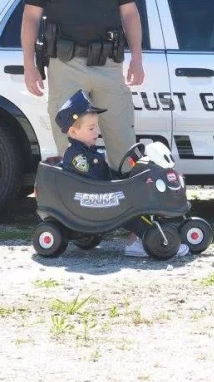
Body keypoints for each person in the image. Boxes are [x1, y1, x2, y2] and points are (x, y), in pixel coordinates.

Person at [21, 0, 148, 256]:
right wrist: (30, 64)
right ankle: (75, 227)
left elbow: (130, 14)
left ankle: (137, 231)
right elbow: (31, 17)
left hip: (109, 65)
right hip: (65, 65)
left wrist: (136, 58)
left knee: (123, 145)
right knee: (71, 149)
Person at [54, 90, 187, 258]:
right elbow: (91, 183)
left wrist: (123, 177)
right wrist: (121, 185)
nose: (97, 132)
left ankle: (156, 232)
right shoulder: (77, 156)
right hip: (91, 202)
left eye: (97, 127)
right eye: (91, 128)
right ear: (73, 132)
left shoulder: (89, 151)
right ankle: (143, 242)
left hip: (99, 197)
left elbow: (104, 174)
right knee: (129, 208)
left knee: (137, 193)